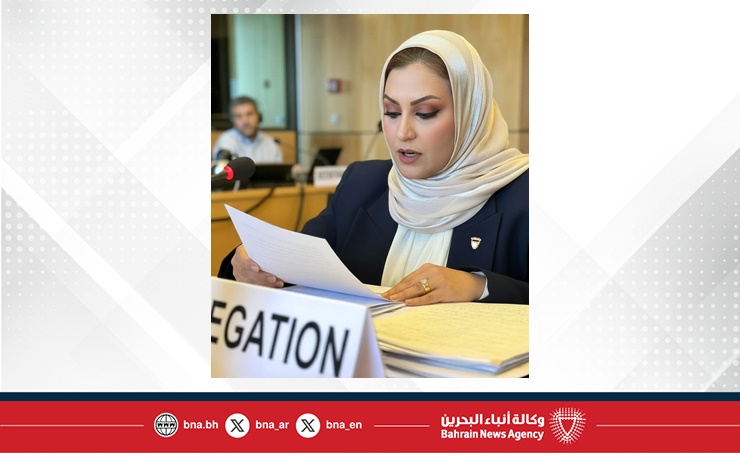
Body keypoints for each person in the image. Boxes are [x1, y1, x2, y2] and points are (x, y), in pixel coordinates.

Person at [218, 30, 529, 305]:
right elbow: (294, 266)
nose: (402, 132)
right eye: (391, 112)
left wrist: (479, 286)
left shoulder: (524, 194)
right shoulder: (362, 183)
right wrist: (250, 264)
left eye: (425, 113)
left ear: (471, 114)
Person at [212, 96, 283, 163]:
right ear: (232, 120)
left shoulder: (271, 143)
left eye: (249, 114)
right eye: (239, 116)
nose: (245, 121)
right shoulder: (226, 141)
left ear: (259, 116)